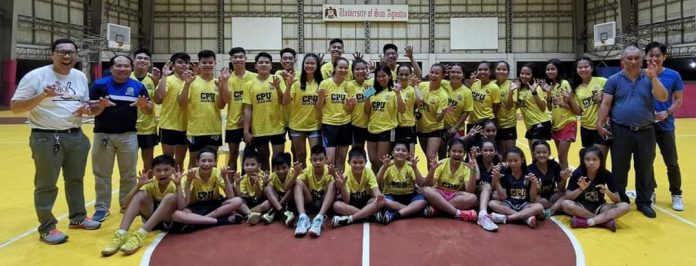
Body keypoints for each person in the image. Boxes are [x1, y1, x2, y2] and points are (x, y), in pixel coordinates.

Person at [11, 38, 100, 244]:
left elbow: (82, 103)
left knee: (75, 181)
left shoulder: (78, 76)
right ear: (52, 54)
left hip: (76, 135)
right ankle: (47, 227)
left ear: (77, 56)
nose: (67, 56)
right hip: (46, 136)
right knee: (46, 184)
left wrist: (89, 108)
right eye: (61, 52)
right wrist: (42, 95)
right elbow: (16, 107)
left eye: (71, 52)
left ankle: (77, 218)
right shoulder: (36, 76)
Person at [597, 45, 668, 218]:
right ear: (622, 61)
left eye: (637, 58)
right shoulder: (614, 79)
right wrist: (599, 123)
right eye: (629, 58)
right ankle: (621, 200)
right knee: (620, 169)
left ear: (642, 59)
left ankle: (644, 202)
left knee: (645, 168)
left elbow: (663, 97)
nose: (634, 61)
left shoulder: (650, 76)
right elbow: (606, 103)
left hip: (646, 130)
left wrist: (654, 79)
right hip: (621, 130)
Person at [91, 55, 153, 222]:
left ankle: (127, 205)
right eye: (119, 66)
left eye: (126, 66)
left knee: (129, 174)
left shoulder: (138, 86)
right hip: (103, 135)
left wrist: (144, 105)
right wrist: (100, 106)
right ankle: (102, 208)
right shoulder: (99, 85)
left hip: (129, 135)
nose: (123, 69)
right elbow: (91, 111)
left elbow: (149, 110)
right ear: (111, 68)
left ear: (131, 68)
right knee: (102, 174)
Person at [101, 154, 178, 256]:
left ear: (173, 170)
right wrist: (138, 186)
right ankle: (121, 234)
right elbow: (125, 204)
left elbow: (182, 206)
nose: (162, 173)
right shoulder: (151, 184)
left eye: (166, 169)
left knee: (170, 197)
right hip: (151, 219)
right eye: (158, 170)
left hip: (168, 221)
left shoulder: (177, 183)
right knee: (141, 193)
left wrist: (179, 186)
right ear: (153, 172)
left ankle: (141, 234)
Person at [645, 42, 685, 211]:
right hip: (646, 124)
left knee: (672, 162)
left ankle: (676, 194)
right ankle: (651, 190)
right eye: (651, 55)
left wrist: (667, 112)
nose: (654, 58)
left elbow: (679, 100)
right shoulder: (641, 75)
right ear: (646, 57)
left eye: (658, 55)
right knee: (647, 161)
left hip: (666, 125)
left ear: (664, 57)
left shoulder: (673, 75)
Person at [562, 146, 631, 232]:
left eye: (595, 159)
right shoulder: (578, 173)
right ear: (583, 161)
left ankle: (588, 222)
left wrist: (607, 191)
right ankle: (602, 221)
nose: (591, 162)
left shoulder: (606, 174)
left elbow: (617, 200)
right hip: (581, 206)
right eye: (587, 159)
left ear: (600, 161)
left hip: (600, 206)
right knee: (565, 204)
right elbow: (567, 196)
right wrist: (580, 189)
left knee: (625, 206)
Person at [178, 50, 224, 170]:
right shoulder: (190, 82)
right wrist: (187, 84)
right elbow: (181, 103)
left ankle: (211, 189)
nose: (207, 65)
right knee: (194, 163)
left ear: (215, 63)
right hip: (195, 130)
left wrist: (220, 90)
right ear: (199, 64)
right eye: (204, 62)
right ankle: (191, 188)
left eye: (210, 62)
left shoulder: (218, 83)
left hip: (214, 129)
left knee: (213, 164)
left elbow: (221, 106)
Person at [242, 52, 286, 171]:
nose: (264, 64)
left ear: (271, 66)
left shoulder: (278, 79)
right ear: (256, 66)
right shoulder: (249, 84)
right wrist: (246, 131)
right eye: (261, 62)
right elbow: (247, 108)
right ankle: (266, 186)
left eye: (267, 62)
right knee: (264, 159)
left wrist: (277, 88)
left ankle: (277, 187)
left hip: (277, 127)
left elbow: (283, 101)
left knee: (277, 160)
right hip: (259, 129)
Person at [421, 138, 479, 222]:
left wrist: (473, 171)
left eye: (460, 152)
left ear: (464, 154)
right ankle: (459, 213)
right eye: (454, 151)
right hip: (440, 194)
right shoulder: (441, 163)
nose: (457, 154)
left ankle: (438, 209)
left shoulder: (467, 167)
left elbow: (470, 190)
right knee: (426, 190)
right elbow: (429, 184)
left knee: (473, 197)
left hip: (455, 196)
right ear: (449, 152)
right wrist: (432, 170)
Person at [220, 47, 257, 172]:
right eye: (235, 57)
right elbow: (225, 100)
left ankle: (248, 186)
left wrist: (246, 117)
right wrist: (224, 82)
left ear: (246, 58)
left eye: (241, 57)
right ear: (231, 59)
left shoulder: (254, 77)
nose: (238, 59)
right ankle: (232, 188)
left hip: (251, 123)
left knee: (251, 157)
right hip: (233, 124)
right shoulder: (227, 78)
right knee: (232, 157)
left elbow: (256, 101)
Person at [489, 146, 544, 228]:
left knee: (539, 207)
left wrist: (533, 184)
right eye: (510, 161)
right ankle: (524, 218)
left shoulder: (529, 173)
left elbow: (533, 198)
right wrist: (496, 180)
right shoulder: (505, 173)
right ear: (507, 161)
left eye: (516, 160)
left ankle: (507, 218)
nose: (513, 163)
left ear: (522, 160)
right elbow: (502, 197)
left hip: (525, 205)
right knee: (492, 203)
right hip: (509, 204)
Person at [283, 53, 323, 166]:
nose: (309, 65)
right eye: (307, 63)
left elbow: (320, 107)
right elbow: (285, 102)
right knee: (300, 155)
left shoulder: (322, 83)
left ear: (317, 65)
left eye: (312, 63)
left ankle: (316, 181)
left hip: (315, 126)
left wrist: (320, 98)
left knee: (316, 157)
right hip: (297, 126)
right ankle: (302, 180)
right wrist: (288, 86)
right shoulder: (296, 82)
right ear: (303, 64)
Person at [365, 65, 406, 173]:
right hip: (371, 129)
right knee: (373, 160)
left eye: (384, 76)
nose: (381, 79)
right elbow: (366, 112)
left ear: (389, 76)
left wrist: (398, 93)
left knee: (381, 161)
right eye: (378, 76)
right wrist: (367, 97)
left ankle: (383, 187)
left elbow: (402, 110)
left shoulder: (394, 91)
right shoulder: (371, 91)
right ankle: (375, 185)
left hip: (387, 129)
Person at [317, 57, 355, 173]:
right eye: (340, 67)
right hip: (329, 125)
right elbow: (318, 107)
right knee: (330, 160)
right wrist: (321, 98)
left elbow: (349, 110)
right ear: (334, 68)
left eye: (346, 68)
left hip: (345, 124)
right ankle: (330, 184)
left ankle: (339, 184)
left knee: (342, 158)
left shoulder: (349, 86)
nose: (343, 70)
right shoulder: (324, 83)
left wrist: (349, 105)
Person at [331, 147, 386, 227]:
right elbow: (347, 200)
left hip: (367, 203)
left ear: (366, 162)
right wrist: (342, 186)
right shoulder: (346, 176)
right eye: (355, 162)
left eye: (361, 162)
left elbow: (376, 190)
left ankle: (349, 219)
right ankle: (370, 216)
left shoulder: (369, 172)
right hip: (352, 204)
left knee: (380, 202)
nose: (358, 165)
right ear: (349, 162)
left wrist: (379, 197)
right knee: (336, 205)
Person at [375, 142, 427, 224]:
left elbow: (421, 183)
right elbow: (377, 182)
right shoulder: (387, 165)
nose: (400, 152)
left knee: (423, 201)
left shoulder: (410, 165)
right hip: (391, 196)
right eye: (397, 150)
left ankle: (395, 215)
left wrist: (415, 168)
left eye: (404, 150)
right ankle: (411, 210)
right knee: (383, 201)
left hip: (409, 195)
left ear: (408, 154)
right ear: (392, 153)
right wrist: (384, 168)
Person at [154, 52, 190, 168]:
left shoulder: (190, 81)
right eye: (180, 62)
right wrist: (163, 76)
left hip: (186, 126)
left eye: (186, 63)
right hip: (168, 125)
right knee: (168, 161)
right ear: (173, 65)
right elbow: (159, 97)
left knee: (180, 162)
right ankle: (168, 184)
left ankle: (178, 185)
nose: (184, 65)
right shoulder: (168, 80)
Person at [545, 59, 581, 170]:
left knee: (562, 157)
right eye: (548, 69)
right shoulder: (551, 86)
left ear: (558, 70)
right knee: (561, 158)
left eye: (553, 69)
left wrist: (563, 103)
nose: (550, 71)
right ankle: (561, 185)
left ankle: (562, 186)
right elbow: (550, 108)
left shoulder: (564, 83)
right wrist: (549, 95)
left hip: (567, 123)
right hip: (556, 125)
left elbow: (574, 109)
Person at [293, 145, 337, 237]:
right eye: (315, 160)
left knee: (333, 183)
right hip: (310, 201)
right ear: (310, 160)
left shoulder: (330, 171)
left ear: (326, 159)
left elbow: (341, 187)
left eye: (321, 159)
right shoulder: (307, 171)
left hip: (324, 202)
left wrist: (335, 176)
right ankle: (303, 217)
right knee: (298, 182)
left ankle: (319, 218)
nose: (318, 162)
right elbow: (290, 185)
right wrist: (295, 174)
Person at [572, 57, 610, 158]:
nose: (583, 69)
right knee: (589, 161)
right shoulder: (576, 88)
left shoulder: (602, 81)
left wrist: (603, 98)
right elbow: (579, 112)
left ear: (592, 68)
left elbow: (615, 99)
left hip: (602, 126)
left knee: (599, 160)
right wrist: (570, 100)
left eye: (586, 67)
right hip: (585, 127)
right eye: (580, 67)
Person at [132, 48, 161, 176]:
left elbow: (159, 100)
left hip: (148, 127)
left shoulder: (153, 79)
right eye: (139, 58)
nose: (142, 60)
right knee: (129, 161)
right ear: (134, 61)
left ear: (150, 63)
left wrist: (157, 83)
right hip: (129, 127)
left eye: (146, 59)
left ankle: (148, 186)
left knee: (148, 161)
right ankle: (132, 188)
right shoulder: (126, 77)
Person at [417, 64, 454, 163]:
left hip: (435, 129)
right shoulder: (421, 86)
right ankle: (431, 178)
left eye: (437, 73)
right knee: (428, 159)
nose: (433, 75)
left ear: (443, 76)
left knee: (430, 157)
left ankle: (435, 178)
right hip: (421, 128)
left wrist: (443, 113)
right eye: (432, 72)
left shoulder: (442, 96)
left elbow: (438, 119)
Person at [513, 63, 552, 152]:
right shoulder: (521, 89)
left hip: (540, 124)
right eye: (522, 73)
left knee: (538, 154)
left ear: (533, 75)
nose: (524, 76)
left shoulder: (536, 88)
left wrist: (534, 93)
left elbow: (543, 107)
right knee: (534, 156)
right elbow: (517, 106)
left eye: (527, 74)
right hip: (530, 126)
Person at [528, 140, 571, 218]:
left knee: (566, 194)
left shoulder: (554, 165)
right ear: (533, 154)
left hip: (552, 196)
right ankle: (557, 209)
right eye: (538, 152)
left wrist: (564, 179)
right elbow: (532, 195)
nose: (541, 155)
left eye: (544, 152)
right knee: (539, 200)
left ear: (549, 153)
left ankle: (549, 211)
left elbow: (561, 188)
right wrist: (536, 186)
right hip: (538, 198)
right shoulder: (530, 169)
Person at [441, 64, 473, 159]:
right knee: (441, 156)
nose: (455, 74)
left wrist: (455, 128)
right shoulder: (442, 84)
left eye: (458, 72)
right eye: (453, 72)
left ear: (463, 75)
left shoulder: (467, 91)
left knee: (456, 155)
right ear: (448, 74)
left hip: (457, 128)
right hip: (440, 127)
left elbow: (466, 111)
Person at [234, 148, 273, 225]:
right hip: (249, 201)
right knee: (238, 202)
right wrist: (237, 183)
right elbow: (240, 196)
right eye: (246, 165)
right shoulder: (243, 178)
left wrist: (256, 184)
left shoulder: (264, 176)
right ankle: (252, 214)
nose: (249, 167)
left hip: (260, 200)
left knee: (267, 204)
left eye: (252, 164)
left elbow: (258, 196)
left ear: (259, 165)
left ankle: (248, 214)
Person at [472, 140, 502, 231]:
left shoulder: (498, 166)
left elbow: (494, 187)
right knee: (487, 186)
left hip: (489, 194)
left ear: (495, 151)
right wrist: (474, 160)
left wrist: (495, 177)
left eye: (491, 150)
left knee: (498, 195)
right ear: (480, 151)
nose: (488, 153)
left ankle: (484, 211)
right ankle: (483, 215)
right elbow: (477, 177)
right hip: (475, 191)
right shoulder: (476, 161)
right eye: (485, 150)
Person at [395, 64, 424, 155]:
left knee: (410, 157)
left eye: (407, 74)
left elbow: (420, 100)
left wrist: (415, 85)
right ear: (397, 75)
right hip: (394, 126)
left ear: (410, 76)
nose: (404, 77)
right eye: (401, 74)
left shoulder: (412, 89)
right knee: (394, 157)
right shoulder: (392, 88)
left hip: (409, 126)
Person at [265, 153, 299, 226]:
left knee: (294, 185)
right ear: (273, 169)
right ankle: (282, 212)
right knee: (267, 188)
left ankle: (275, 210)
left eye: (284, 168)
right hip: (279, 198)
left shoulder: (293, 173)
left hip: (289, 199)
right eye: (277, 169)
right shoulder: (272, 176)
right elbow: (269, 191)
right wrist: (265, 183)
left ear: (289, 166)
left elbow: (289, 188)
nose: (281, 171)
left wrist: (296, 174)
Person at [467, 61, 501, 131]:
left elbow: (496, 107)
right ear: (477, 71)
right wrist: (470, 83)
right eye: (480, 70)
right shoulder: (474, 83)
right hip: (472, 122)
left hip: (487, 122)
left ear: (490, 72)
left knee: (486, 142)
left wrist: (489, 120)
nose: (482, 72)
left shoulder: (494, 87)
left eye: (485, 70)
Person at [347, 59, 373, 149]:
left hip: (372, 125)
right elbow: (347, 108)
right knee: (357, 151)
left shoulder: (371, 84)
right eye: (357, 69)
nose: (360, 71)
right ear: (353, 72)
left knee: (373, 155)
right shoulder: (349, 85)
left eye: (363, 69)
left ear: (367, 70)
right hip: (356, 125)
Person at [494, 61, 517, 159]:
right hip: (494, 125)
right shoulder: (492, 85)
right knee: (498, 154)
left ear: (508, 72)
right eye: (499, 69)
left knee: (510, 154)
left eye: (504, 69)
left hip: (509, 125)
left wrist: (511, 92)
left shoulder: (512, 86)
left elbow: (509, 107)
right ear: (494, 71)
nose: (501, 71)